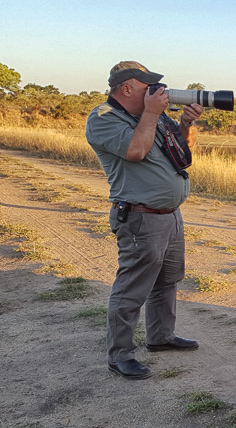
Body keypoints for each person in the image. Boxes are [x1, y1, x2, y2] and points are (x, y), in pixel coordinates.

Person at [85, 61, 204, 380]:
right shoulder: (103, 119)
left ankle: (161, 337)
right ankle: (120, 354)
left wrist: (185, 124)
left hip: (169, 214)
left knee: (167, 280)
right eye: (146, 86)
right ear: (125, 89)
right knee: (132, 286)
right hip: (140, 217)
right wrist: (151, 113)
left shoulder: (151, 118)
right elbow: (136, 151)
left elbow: (182, 151)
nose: (156, 92)